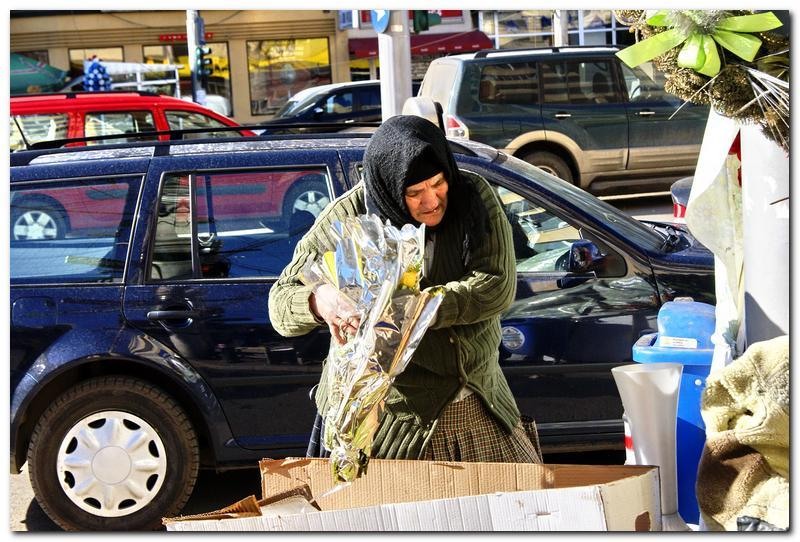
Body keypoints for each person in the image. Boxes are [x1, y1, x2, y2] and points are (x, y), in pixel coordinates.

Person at [268, 115, 540, 464]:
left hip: (472, 398)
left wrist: (413, 311)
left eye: (437, 183)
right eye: (414, 193)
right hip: (384, 415)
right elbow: (280, 304)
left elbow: (496, 285)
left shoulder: (472, 196)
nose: (431, 200)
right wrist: (319, 299)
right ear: (389, 190)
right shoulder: (348, 216)